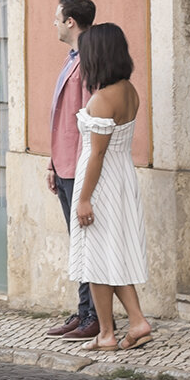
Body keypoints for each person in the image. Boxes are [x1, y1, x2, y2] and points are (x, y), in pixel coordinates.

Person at [69, 22, 152, 352]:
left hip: (101, 181)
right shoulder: (129, 90)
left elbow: (97, 154)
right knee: (110, 255)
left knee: (96, 259)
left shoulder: (104, 98)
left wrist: (85, 197)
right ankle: (136, 321)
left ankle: (107, 333)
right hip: (121, 176)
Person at [43, 0, 101, 341]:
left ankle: (93, 315)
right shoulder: (72, 59)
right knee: (77, 246)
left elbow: (88, 123)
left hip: (78, 168)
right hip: (63, 164)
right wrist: (52, 163)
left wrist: (83, 180)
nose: (53, 23)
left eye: (56, 17)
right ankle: (83, 313)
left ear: (70, 22)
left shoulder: (89, 62)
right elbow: (60, 119)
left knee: (86, 245)